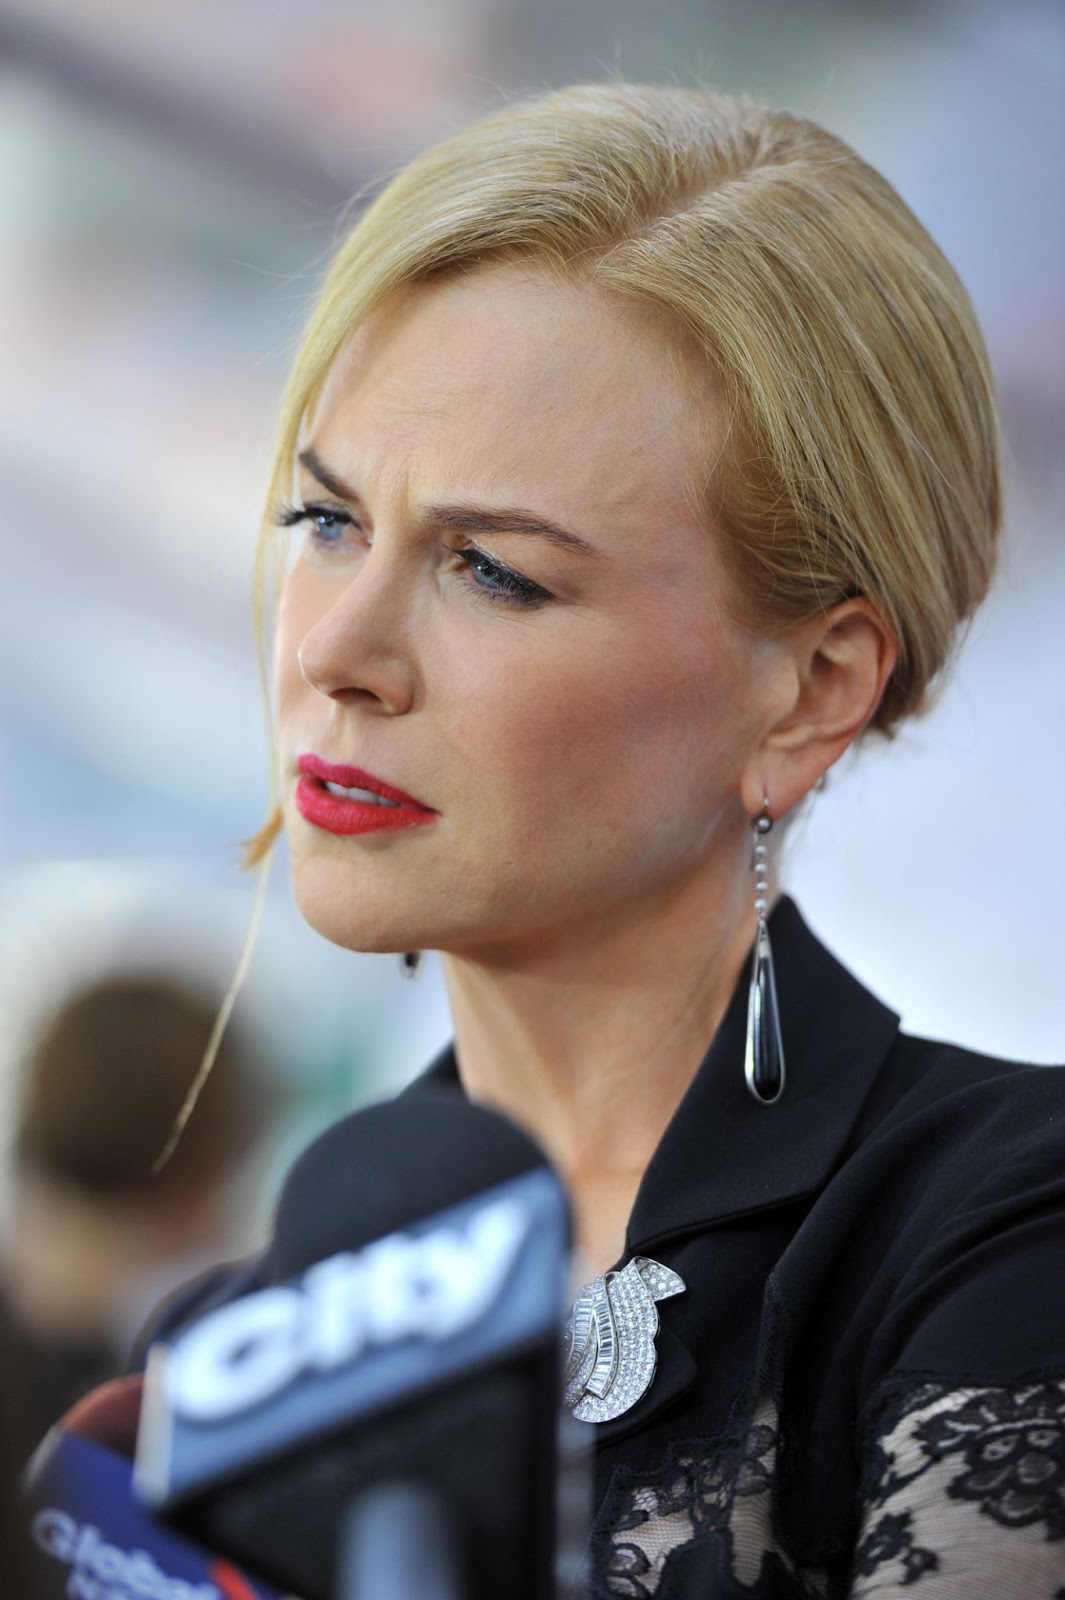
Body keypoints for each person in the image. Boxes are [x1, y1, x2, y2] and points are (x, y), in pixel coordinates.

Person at [156, 85, 1064, 1596]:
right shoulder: (228, 1358)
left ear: (810, 691)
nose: (341, 651)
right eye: (324, 523)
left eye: (492, 572)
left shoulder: (1008, 1231)